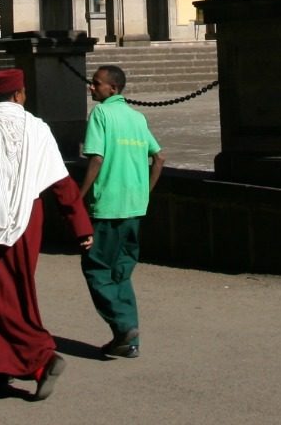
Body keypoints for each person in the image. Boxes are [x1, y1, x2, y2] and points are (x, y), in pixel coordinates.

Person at [0, 68, 93, 400]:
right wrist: (80, 226)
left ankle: (41, 357)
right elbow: (61, 182)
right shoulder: (38, 129)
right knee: (17, 289)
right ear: (18, 95)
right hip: (29, 222)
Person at [78, 65, 163, 359]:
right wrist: (146, 191)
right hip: (134, 207)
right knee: (122, 271)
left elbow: (97, 158)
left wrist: (79, 197)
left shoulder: (101, 115)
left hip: (108, 206)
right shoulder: (137, 118)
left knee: (97, 269)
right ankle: (129, 339)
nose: (91, 87)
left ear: (112, 89)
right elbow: (159, 156)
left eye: (96, 83)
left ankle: (124, 326)